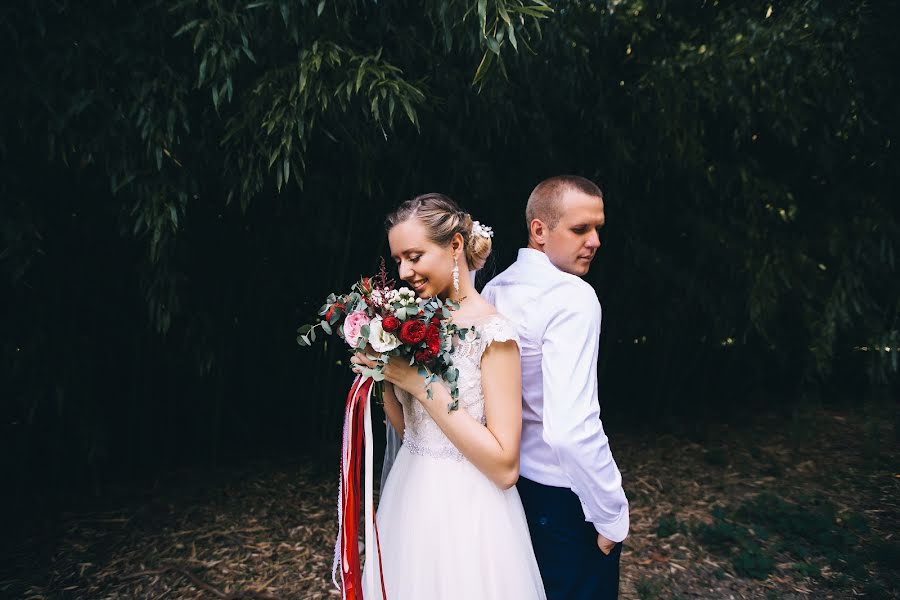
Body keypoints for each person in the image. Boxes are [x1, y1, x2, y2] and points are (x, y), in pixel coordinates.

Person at [350, 193, 546, 599]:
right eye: (398, 259)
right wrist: (385, 373)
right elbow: (409, 433)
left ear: (455, 245)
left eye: (414, 256)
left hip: (469, 514)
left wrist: (417, 381)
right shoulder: (417, 323)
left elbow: (505, 466)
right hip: (410, 496)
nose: (403, 271)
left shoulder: (495, 334)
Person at [482, 175, 629, 600]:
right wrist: (610, 512)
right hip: (565, 498)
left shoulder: (495, 289)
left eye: (598, 228)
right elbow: (570, 428)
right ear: (539, 231)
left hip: (511, 492)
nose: (595, 240)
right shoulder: (573, 297)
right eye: (581, 229)